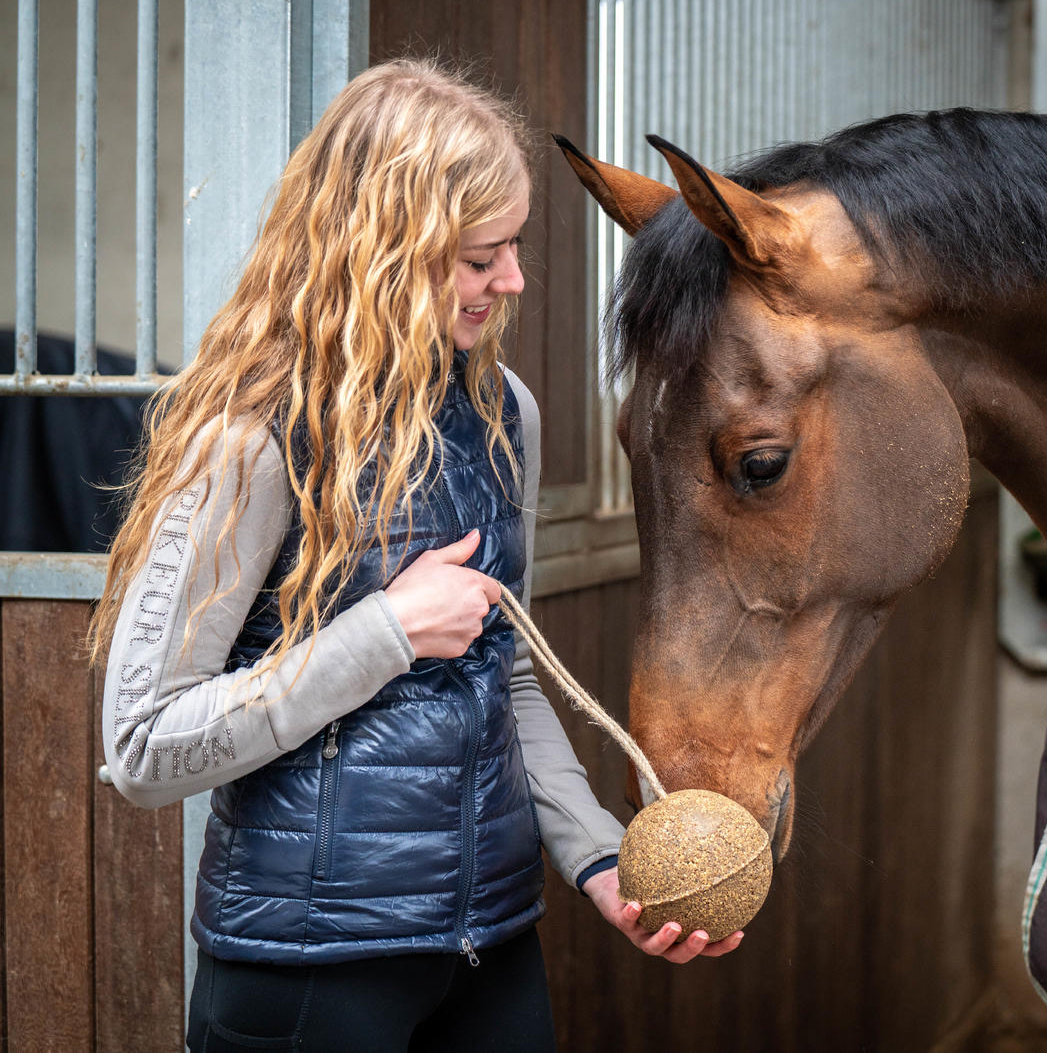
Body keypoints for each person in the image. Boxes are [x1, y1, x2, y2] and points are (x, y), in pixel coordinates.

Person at [90, 58, 742, 1053]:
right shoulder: (249, 438)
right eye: (480, 256)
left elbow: (504, 674)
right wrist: (386, 630)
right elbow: (141, 747)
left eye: (513, 246)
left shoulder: (501, 414)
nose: (512, 280)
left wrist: (599, 860)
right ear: (384, 250)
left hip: (488, 953)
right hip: (308, 974)